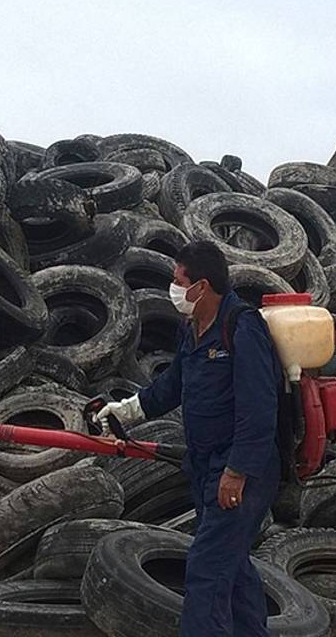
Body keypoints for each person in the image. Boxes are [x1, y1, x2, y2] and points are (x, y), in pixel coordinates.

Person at [97, 240, 281, 636]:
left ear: (203, 285)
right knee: (231, 565)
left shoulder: (242, 328)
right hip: (204, 465)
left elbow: (259, 410)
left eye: (179, 281)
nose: (173, 289)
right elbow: (171, 386)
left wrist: (237, 471)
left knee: (207, 566)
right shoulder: (194, 328)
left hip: (241, 469)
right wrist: (126, 410)